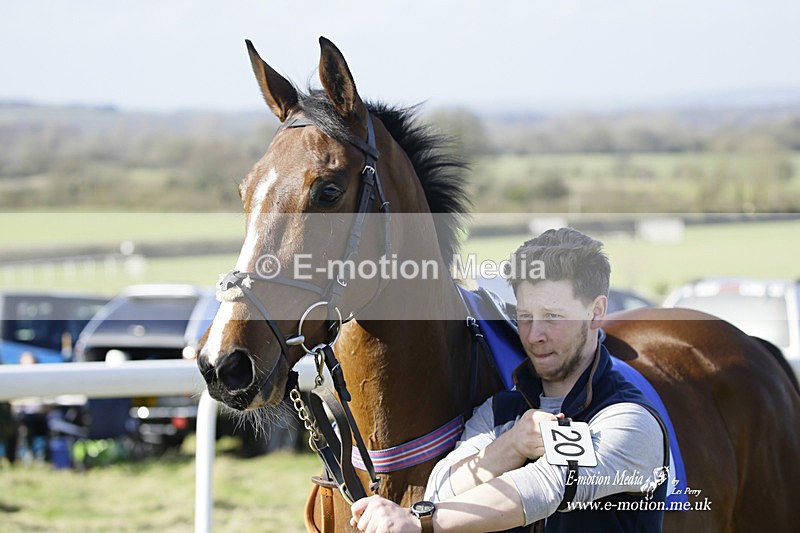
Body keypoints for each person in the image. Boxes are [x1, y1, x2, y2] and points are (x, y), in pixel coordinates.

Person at [350, 228, 668, 532]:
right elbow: (440, 488)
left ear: (596, 312)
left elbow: (548, 485)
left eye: (552, 317)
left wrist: (420, 522)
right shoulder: (499, 411)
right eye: (525, 316)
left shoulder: (630, 420)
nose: (533, 335)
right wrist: (513, 443)